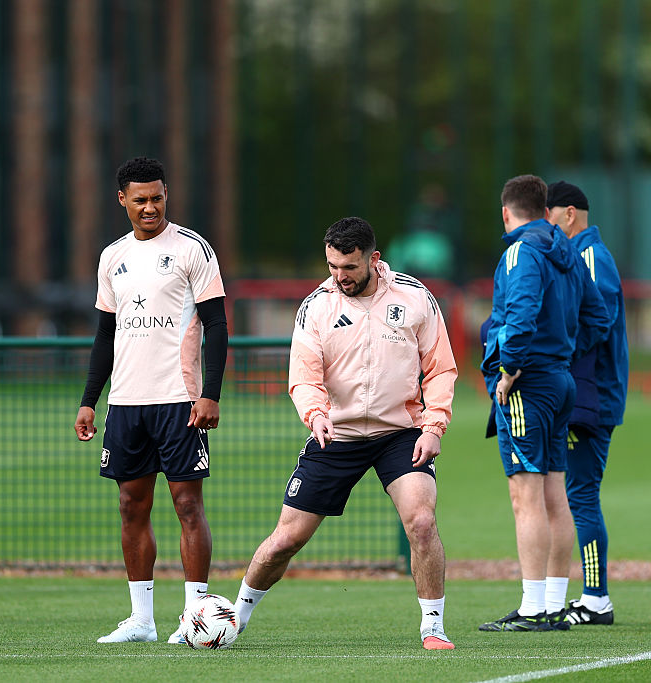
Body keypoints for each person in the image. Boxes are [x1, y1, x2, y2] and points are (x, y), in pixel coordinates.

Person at [232, 216, 458, 651]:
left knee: (423, 522)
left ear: (373, 259)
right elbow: (303, 378)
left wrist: (434, 427)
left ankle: (433, 627)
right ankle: (232, 619)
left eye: (349, 267)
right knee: (286, 540)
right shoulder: (317, 305)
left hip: (402, 433)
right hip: (336, 435)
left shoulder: (415, 299)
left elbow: (441, 369)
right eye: (333, 266)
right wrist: (315, 415)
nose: (339, 277)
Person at [74, 157, 228, 644]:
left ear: (167, 195)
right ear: (122, 200)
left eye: (157, 197)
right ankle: (141, 620)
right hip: (126, 403)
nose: (149, 207)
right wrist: (89, 401)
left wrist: (210, 393)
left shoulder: (192, 249)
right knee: (129, 505)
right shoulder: (111, 257)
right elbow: (104, 335)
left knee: (187, 505)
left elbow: (219, 326)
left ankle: (193, 617)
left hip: (179, 401)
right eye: (139, 199)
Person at [479, 175, 610, 632]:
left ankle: (534, 608)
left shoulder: (521, 251)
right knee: (556, 496)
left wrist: (510, 366)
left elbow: (521, 310)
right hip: (561, 382)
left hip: (528, 383)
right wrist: (565, 354)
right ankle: (554, 603)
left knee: (526, 496)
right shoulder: (567, 250)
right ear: (545, 207)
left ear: (506, 212)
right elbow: (598, 316)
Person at [546, 181, 628, 626]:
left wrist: (555, 358)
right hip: (584, 395)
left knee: (580, 495)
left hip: (591, 398)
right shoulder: (581, 255)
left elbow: (596, 324)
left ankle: (596, 599)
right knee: (573, 494)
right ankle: (587, 595)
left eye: (550, 215)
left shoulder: (590, 257)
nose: (547, 225)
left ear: (569, 214)